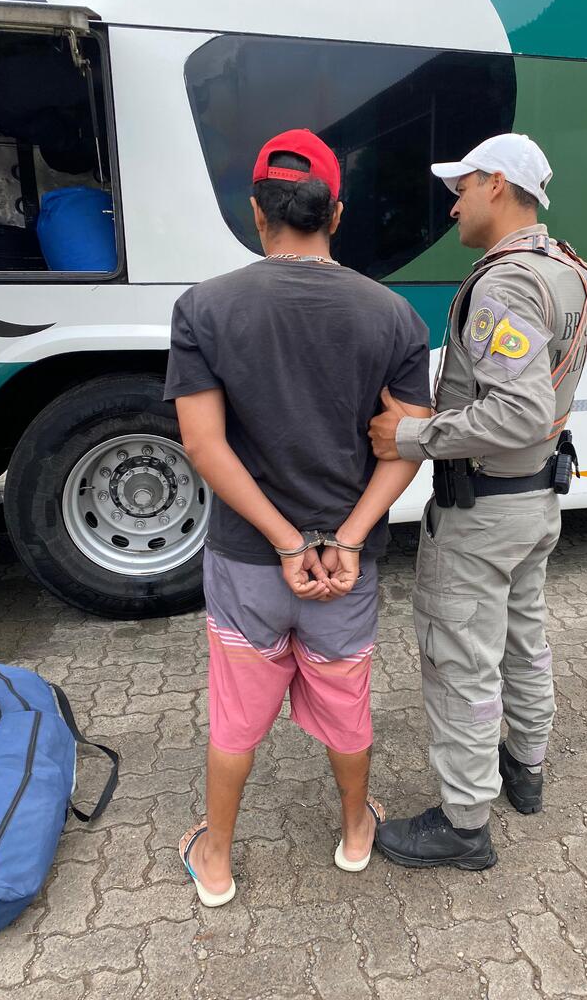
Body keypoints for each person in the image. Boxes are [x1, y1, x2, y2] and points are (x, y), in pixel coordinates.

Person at [164, 129, 431, 905]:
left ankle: (216, 860)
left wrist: (285, 542)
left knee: (235, 715)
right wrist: (346, 537)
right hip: (347, 567)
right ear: (336, 214)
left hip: (250, 560)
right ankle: (355, 834)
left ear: (258, 213)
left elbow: (202, 445)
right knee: (347, 703)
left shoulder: (204, 307)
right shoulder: (395, 316)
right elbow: (406, 444)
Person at [369, 133, 587, 869]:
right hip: (535, 502)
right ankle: (524, 770)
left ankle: (464, 823)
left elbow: (519, 411)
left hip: (483, 511)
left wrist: (411, 437)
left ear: (497, 184)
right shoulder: (572, 270)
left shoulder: (503, 284)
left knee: (460, 660)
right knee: (523, 640)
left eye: (462, 187)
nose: (454, 204)